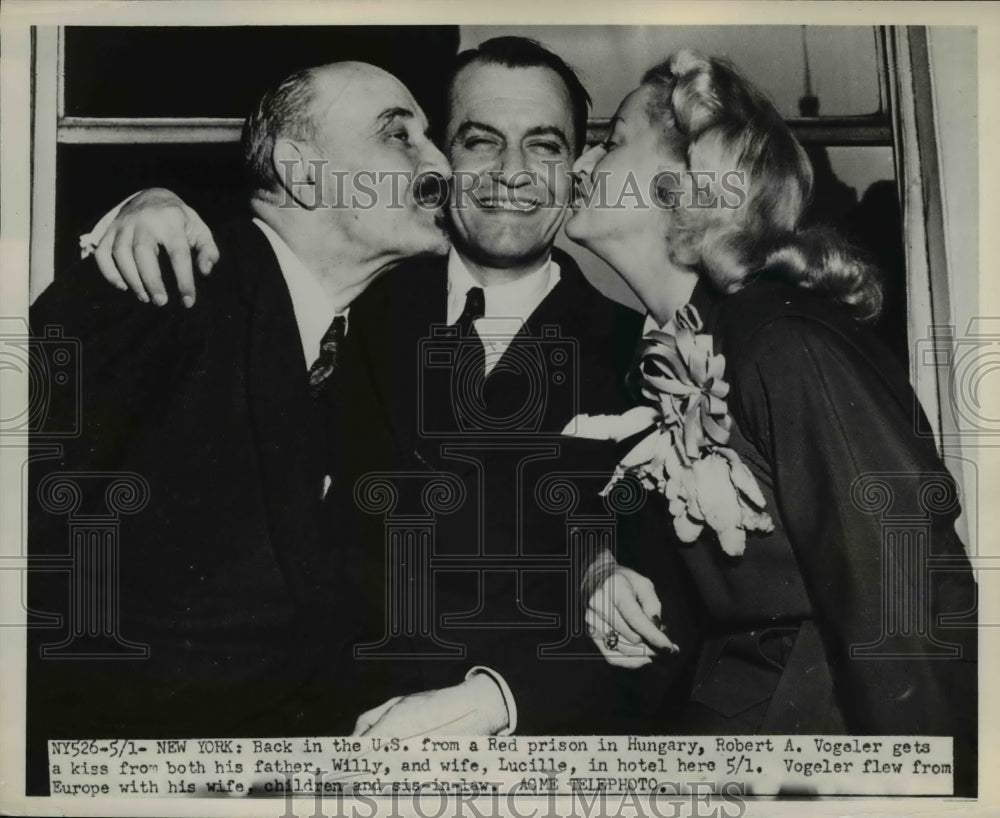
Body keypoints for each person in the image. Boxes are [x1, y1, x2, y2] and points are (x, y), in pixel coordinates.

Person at [79, 37, 696, 735]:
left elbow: (675, 604)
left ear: (577, 170)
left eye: (545, 146)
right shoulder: (347, 302)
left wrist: (504, 699)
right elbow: (278, 221)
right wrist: (145, 201)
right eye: (480, 141)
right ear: (439, 159)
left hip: (533, 753)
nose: (513, 173)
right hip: (311, 744)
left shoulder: (644, 357)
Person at [27, 61, 510, 796]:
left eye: (431, 138)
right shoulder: (161, 288)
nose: (438, 162)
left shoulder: (354, 352)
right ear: (301, 171)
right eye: (397, 135)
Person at [562, 49, 978, 795]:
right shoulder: (670, 351)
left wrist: (931, 795)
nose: (584, 157)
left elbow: (903, 596)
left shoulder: (782, 342)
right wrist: (601, 568)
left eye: (611, 138)